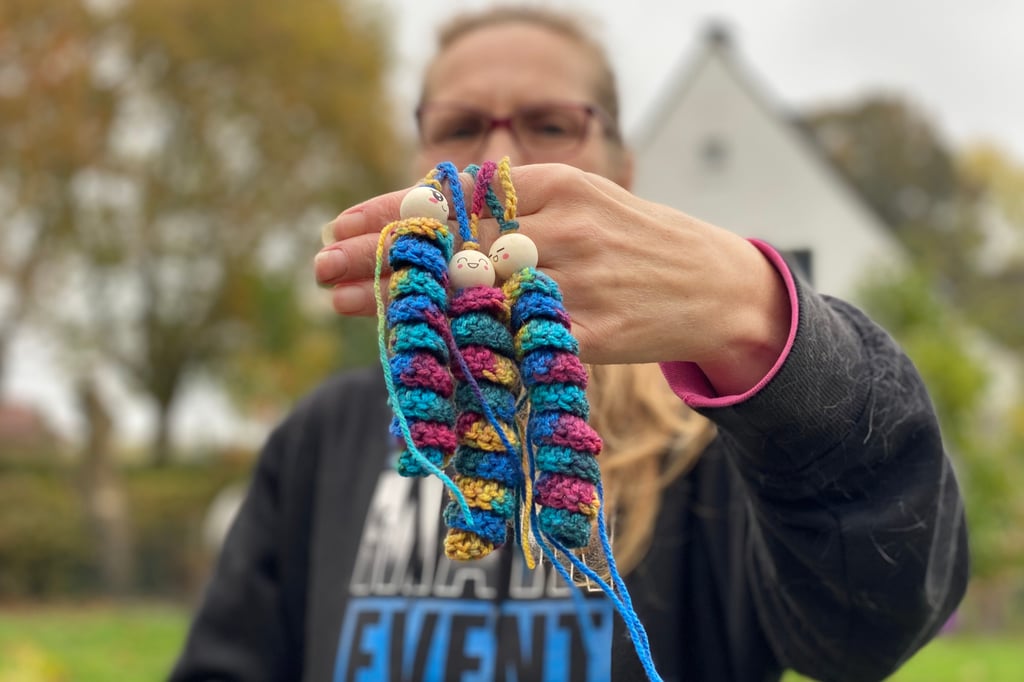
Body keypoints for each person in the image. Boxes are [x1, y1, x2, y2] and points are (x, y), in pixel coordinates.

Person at [170, 7, 968, 681]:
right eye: (457, 127)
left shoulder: (715, 441)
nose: (497, 159)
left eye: (552, 124)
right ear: (412, 162)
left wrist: (757, 318)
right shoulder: (325, 437)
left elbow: (875, 624)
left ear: (621, 170)